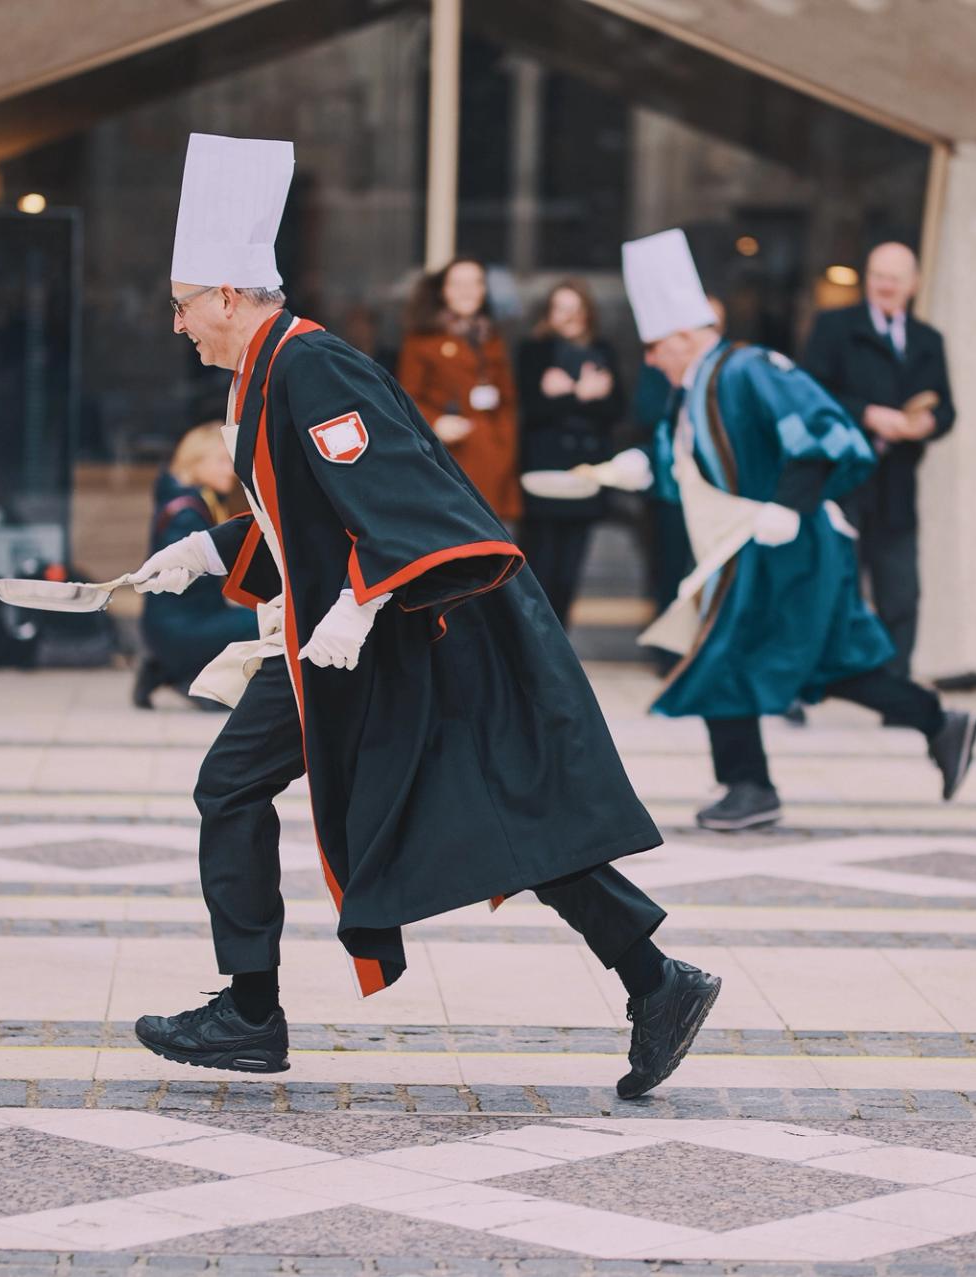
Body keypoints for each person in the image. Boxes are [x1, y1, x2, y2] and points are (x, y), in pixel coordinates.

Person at [124, 134, 719, 1098]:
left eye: (185, 305)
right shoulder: (268, 371)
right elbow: (317, 523)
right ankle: (657, 982)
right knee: (485, 813)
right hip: (365, 636)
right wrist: (211, 550)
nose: (180, 325)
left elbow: (413, 511)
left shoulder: (308, 367)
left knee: (299, 793)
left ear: (229, 296)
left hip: (411, 631)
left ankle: (250, 1011)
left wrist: (359, 604)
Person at [613, 229, 976, 832]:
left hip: (788, 544)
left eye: (655, 346)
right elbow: (693, 464)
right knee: (826, 665)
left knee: (725, 658)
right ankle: (939, 723)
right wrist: (639, 468)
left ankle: (749, 786)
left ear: (683, 337)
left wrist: (789, 505)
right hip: (754, 546)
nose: (651, 359)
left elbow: (822, 429)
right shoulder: (702, 382)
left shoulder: (748, 369)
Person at [801, 242, 954, 679]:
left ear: (914, 285)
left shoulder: (928, 340)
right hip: (843, 480)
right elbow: (811, 394)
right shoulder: (834, 328)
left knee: (900, 592)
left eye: (894, 277)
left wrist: (926, 424)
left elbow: (946, 409)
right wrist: (867, 415)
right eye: (878, 275)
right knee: (829, 584)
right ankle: (810, 682)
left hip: (897, 482)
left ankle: (894, 688)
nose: (885, 285)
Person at [515, 280, 625, 625]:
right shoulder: (533, 351)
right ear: (547, 314)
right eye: (561, 308)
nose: (570, 317)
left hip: (586, 473)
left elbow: (616, 409)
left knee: (570, 571)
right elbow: (530, 410)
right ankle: (536, 643)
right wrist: (581, 394)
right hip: (543, 475)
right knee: (540, 567)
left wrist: (567, 394)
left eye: (576, 308)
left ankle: (561, 641)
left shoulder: (603, 350)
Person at [133, 423, 259, 709]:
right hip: (180, 627)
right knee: (262, 623)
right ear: (195, 461)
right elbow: (191, 574)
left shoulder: (190, 500)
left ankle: (166, 669)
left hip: (174, 623)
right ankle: (195, 679)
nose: (231, 470)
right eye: (222, 461)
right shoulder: (187, 513)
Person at [395, 257, 522, 520]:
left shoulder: (492, 337)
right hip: (450, 460)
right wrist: (435, 422)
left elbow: (508, 399)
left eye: (475, 283)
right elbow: (404, 399)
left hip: (496, 459)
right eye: (458, 283)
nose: (467, 291)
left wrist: (506, 441)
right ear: (443, 291)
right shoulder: (422, 340)